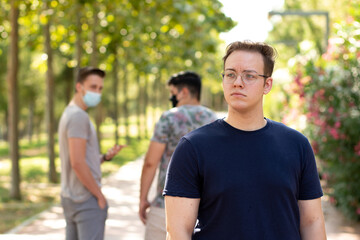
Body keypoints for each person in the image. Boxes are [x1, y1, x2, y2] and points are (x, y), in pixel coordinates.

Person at [163, 41, 327, 239]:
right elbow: (178, 231)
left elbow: (312, 222)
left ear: (267, 84)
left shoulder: (297, 145)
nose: (237, 82)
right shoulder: (192, 148)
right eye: (230, 74)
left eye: (249, 76)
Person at [139, 71, 218, 240]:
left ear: (184, 92)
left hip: (166, 204)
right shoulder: (214, 119)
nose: (171, 98)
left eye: (172, 93)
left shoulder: (168, 118)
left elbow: (150, 163)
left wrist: (143, 198)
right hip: (204, 207)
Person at [58, 67, 125, 240]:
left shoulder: (68, 113)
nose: (97, 92)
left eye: (100, 88)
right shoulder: (78, 117)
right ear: (79, 86)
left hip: (70, 198)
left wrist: (104, 158)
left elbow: (79, 158)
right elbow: (77, 163)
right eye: (93, 87)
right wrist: (99, 196)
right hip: (85, 200)